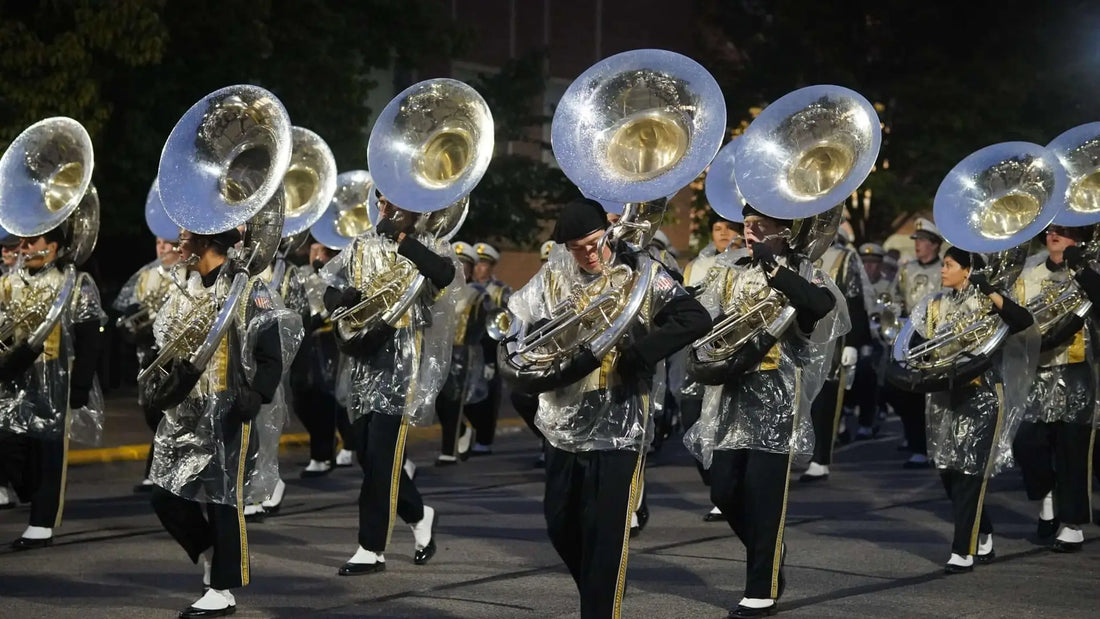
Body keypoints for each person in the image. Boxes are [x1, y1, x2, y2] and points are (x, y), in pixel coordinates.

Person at [504, 197, 710, 618]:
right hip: (562, 419)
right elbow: (518, 329)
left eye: (594, 243)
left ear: (608, 234)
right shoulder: (553, 278)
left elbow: (695, 318)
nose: (589, 254)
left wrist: (642, 353)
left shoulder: (642, 273)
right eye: (578, 248)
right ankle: (604, 586)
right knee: (559, 523)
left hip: (620, 421)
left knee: (605, 533)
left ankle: (600, 602)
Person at [685, 203, 848, 618]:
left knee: (764, 494)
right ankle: (770, 551)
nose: (750, 232)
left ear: (784, 231)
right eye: (747, 225)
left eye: (760, 225)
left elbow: (820, 305)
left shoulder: (802, 270)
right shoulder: (731, 270)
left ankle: (760, 587)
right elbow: (705, 316)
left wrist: (776, 269)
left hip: (776, 395)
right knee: (723, 489)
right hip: (731, 391)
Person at [145, 226, 301, 617]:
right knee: (163, 493)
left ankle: (223, 588)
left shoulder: (248, 289)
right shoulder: (186, 288)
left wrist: (257, 394)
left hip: (229, 406)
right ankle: (211, 550)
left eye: (185, 237)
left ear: (204, 242)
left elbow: (271, 353)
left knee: (224, 499)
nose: (178, 244)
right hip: (187, 409)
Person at [323, 194, 460, 576]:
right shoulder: (360, 245)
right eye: (382, 202)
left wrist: (401, 239)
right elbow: (329, 289)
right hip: (363, 358)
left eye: (395, 203)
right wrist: (342, 297)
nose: (385, 210)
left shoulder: (430, 245)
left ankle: (371, 548)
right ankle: (419, 514)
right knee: (368, 454)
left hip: (402, 363)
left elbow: (444, 274)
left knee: (382, 456)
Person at [910, 247, 1036, 573]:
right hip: (944, 396)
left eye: (949, 265)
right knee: (947, 471)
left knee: (969, 472)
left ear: (967, 270)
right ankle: (983, 529)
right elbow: (916, 344)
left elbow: (1023, 321)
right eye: (942, 264)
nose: (942, 270)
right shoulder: (935, 304)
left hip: (983, 395)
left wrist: (990, 289)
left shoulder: (987, 303)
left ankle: (962, 550)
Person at [0, 225, 106, 545]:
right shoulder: (9, 282)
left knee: (49, 449)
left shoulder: (75, 282)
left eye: (32, 241)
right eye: (22, 241)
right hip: (13, 377)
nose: (23, 247)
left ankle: (42, 522)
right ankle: (28, 491)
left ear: (54, 246)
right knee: (7, 443)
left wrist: (81, 384)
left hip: (56, 377)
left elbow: (89, 336)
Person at [1012, 225, 1100, 552]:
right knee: (1026, 443)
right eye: (1050, 229)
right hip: (1038, 368)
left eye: (1063, 230)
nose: (1054, 235)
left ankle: (1072, 524)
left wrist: (1080, 267)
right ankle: (1046, 494)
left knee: (1073, 448)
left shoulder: (1089, 271)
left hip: (1077, 368)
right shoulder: (1029, 274)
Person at [680, 209, 738, 521]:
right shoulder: (695, 266)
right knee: (691, 417)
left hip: (733, 356)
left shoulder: (746, 263)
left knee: (725, 426)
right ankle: (716, 483)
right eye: (717, 228)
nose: (723, 233)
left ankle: (724, 493)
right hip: (698, 355)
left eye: (730, 227)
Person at [114, 236, 182, 492]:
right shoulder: (147, 276)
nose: (162, 247)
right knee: (152, 412)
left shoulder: (188, 274)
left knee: (171, 413)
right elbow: (134, 311)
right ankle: (160, 469)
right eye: (158, 242)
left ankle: (159, 472)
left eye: (168, 242)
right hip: (148, 354)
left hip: (175, 355)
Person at [801, 233, 870, 481]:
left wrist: (852, 343)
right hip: (799, 334)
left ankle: (820, 459)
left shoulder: (843, 257)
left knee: (824, 397)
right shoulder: (797, 252)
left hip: (831, 338)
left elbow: (854, 301)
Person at [888, 218, 944, 468]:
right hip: (909, 336)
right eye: (916, 240)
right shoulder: (906, 270)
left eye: (922, 241)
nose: (917, 245)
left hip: (937, 336)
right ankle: (916, 443)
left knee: (932, 394)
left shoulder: (944, 268)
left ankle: (931, 444)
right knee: (902, 390)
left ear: (934, 244)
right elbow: (894, 298)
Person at [299, 239, 354, 475]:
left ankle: (326, 453)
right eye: (314, 250)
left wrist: (322, 317)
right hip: (307, 342)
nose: (316, 255)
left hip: (328, 341)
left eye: (322, 251)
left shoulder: (338, 275)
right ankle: (333, 444)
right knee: (303, 399)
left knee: (328, 398)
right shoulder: (302, 275)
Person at [435, 241, 491, 465]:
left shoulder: (477, 295)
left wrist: (488, 361)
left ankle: (449, 451)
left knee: (454, 401)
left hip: (464, 353)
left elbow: (484, 329)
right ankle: (462, 431)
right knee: (437, 399)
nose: (459, 268)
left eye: (464, 265)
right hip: (439, 351)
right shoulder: (438, 292)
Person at [852, 243, 890, 439]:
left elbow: (893, 313)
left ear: (881, 265)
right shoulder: (854, 284)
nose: (868, 267)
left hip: (877, 340)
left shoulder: (887, 287)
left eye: (873, 263)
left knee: (869, 374)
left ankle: (867, 421)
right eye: (865, 262)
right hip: (854, 337)